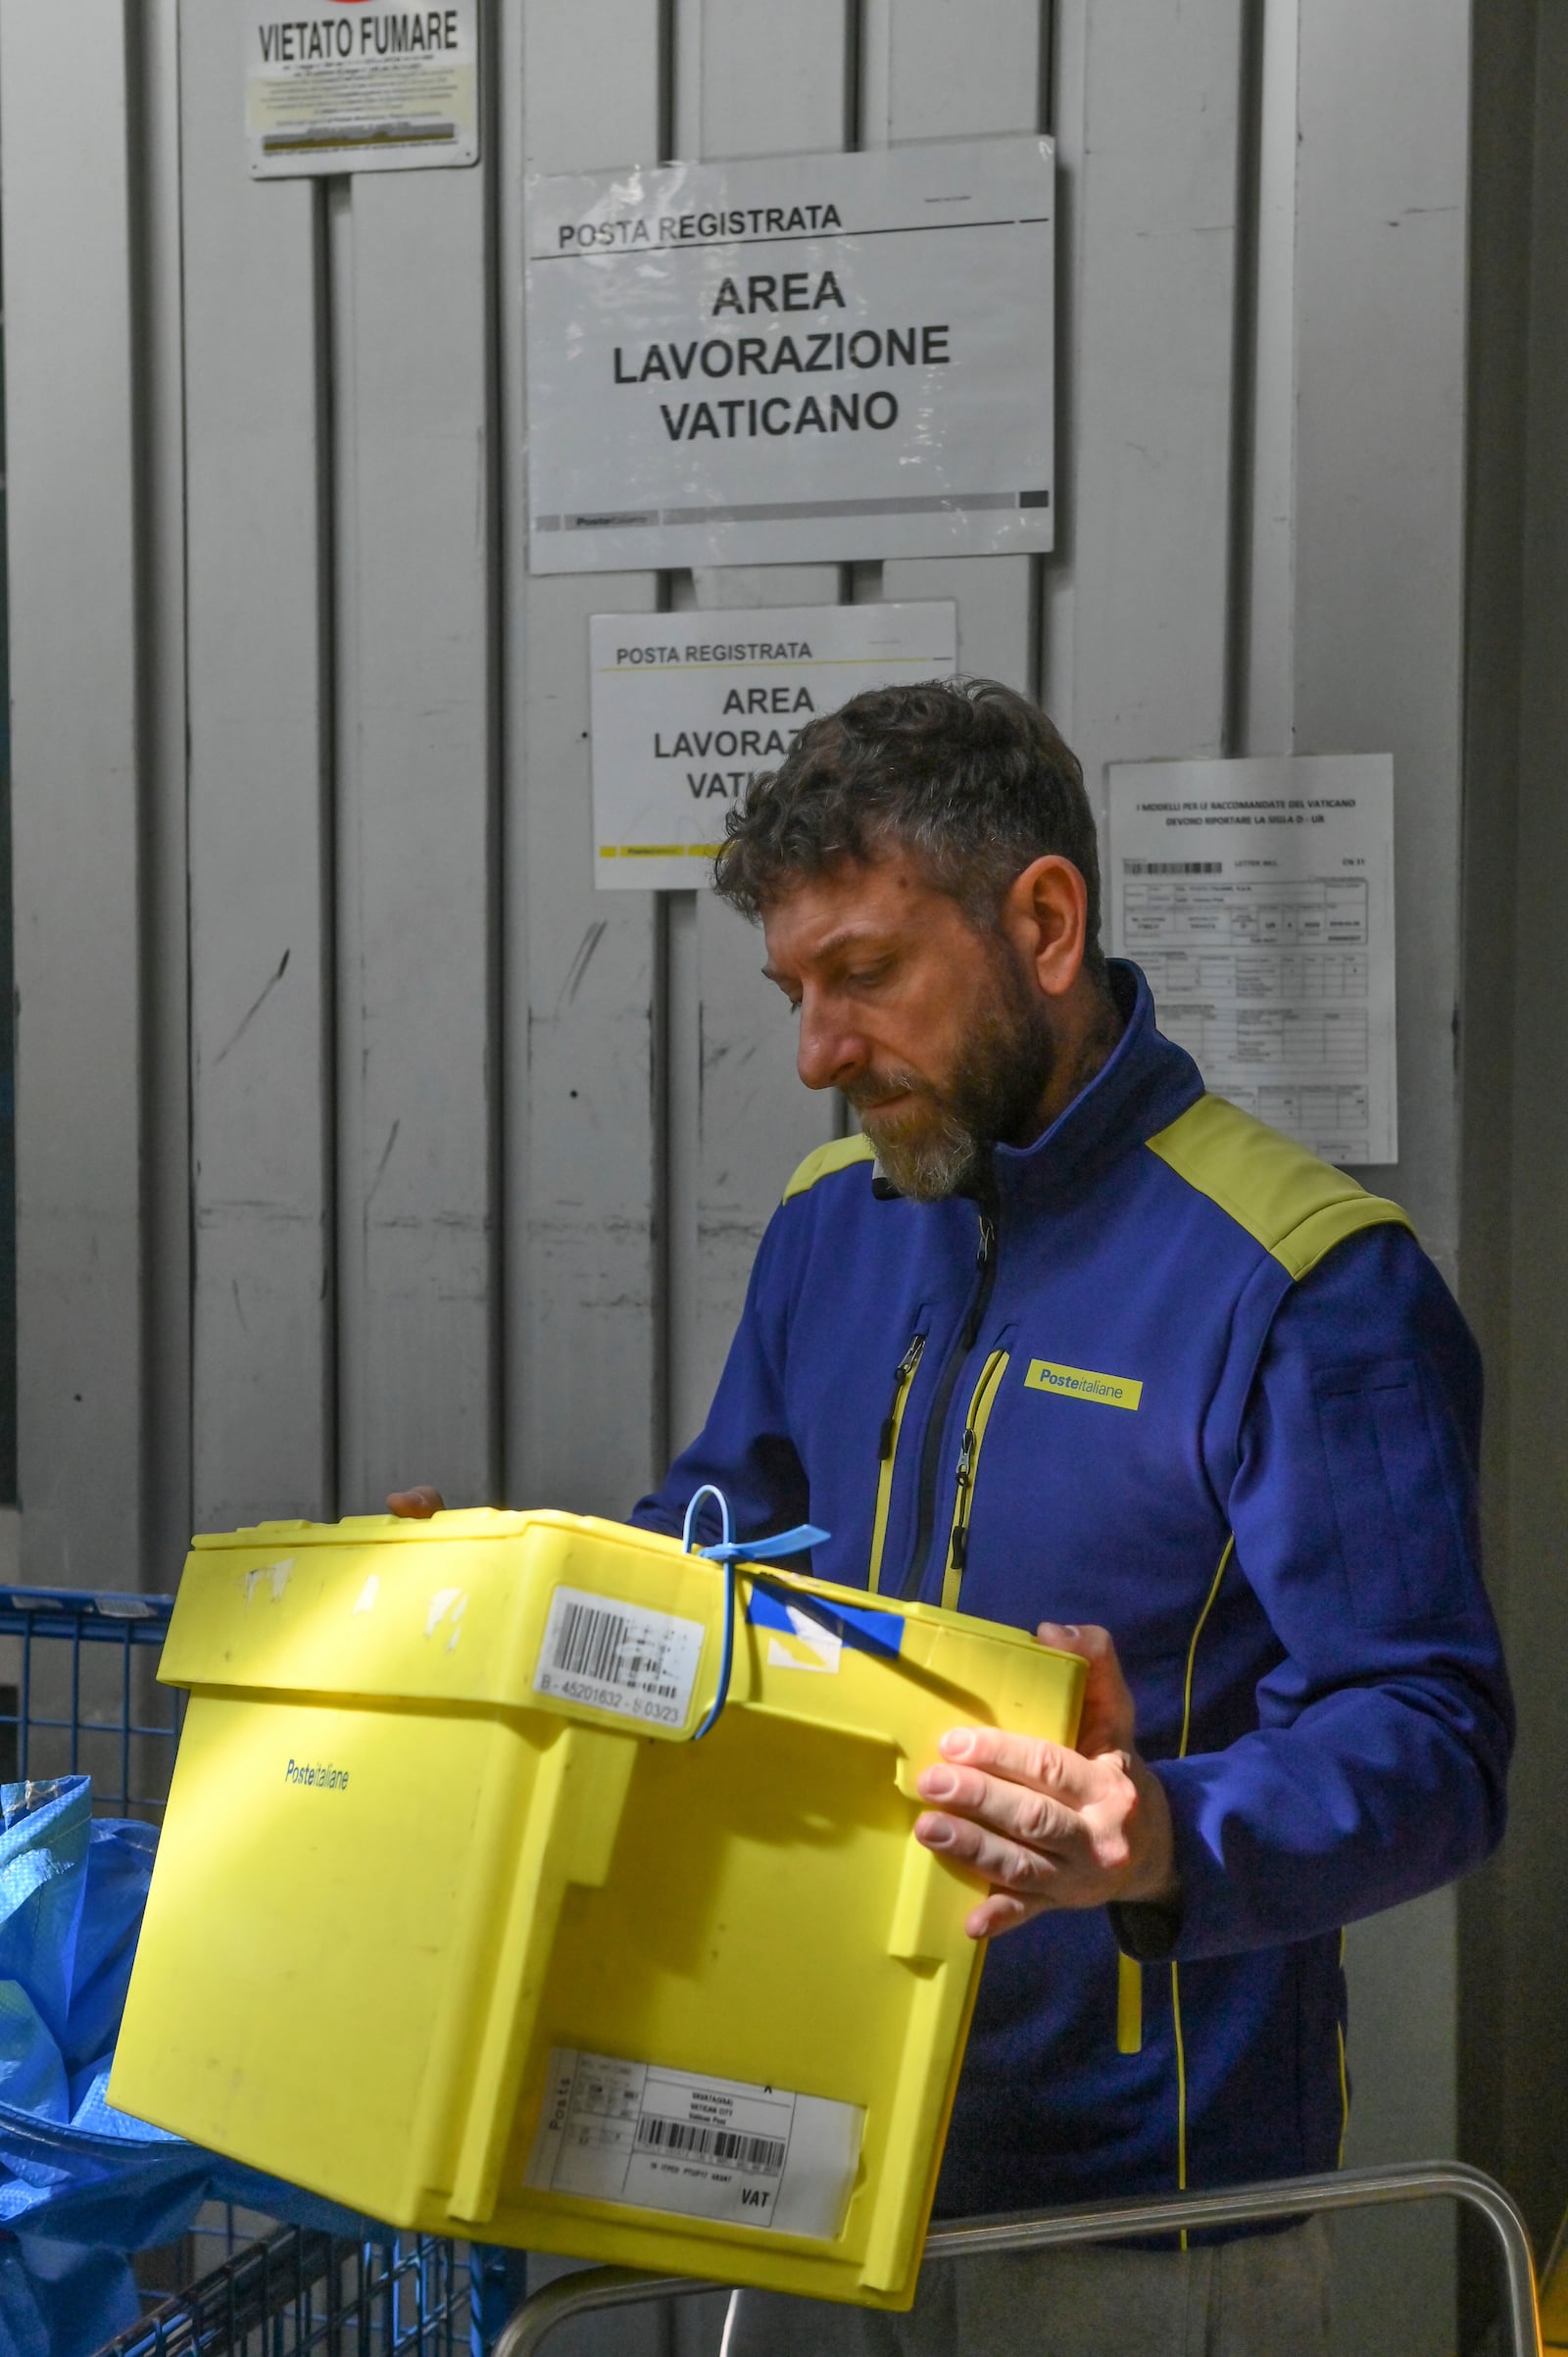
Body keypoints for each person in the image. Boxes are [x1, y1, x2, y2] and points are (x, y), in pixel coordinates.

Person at [392, 678, 1512, 2357]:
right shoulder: (830, 1225)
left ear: (1043, 922)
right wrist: (508, 1603)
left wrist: (1159, 1831)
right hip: (811, 2152)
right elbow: (717, 1546)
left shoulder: (1304, 1283)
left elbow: (1432, 1739)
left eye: (863, 973)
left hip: (1143, 2212)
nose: (817, 1053)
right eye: (794, 988)